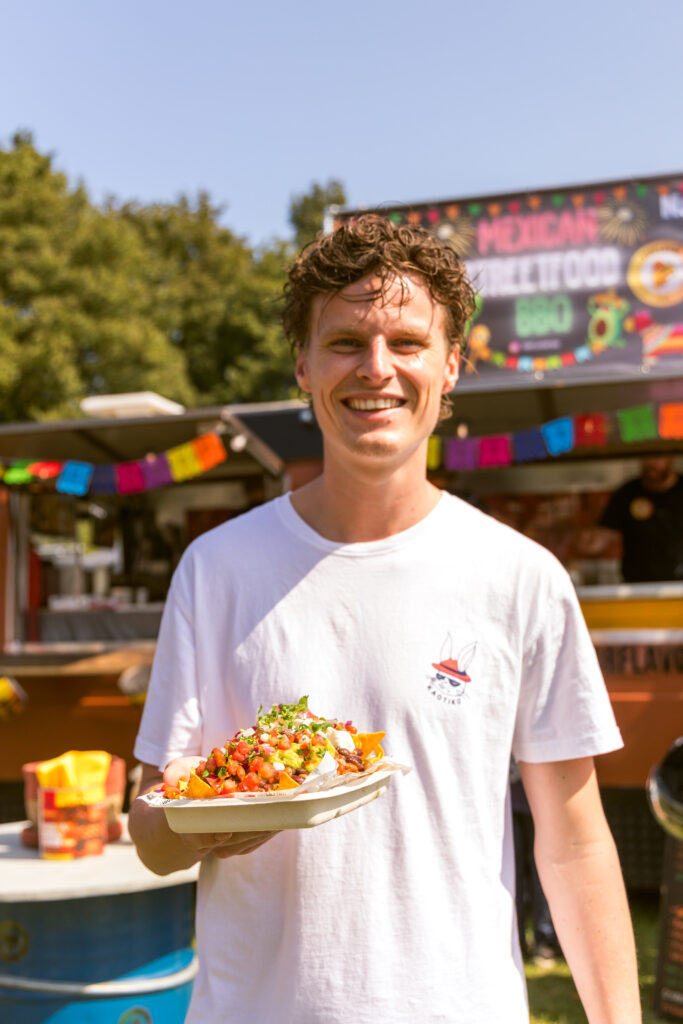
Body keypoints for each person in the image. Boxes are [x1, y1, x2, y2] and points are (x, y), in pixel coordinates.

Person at [129, 216, 641, 1024]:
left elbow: (575, 844)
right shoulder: (217, 567)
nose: (376, 368)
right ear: (302, 365)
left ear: (450, 365)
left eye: (406, 342)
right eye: (344, 343)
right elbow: (151, 832)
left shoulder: (520, 577)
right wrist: (208, 821)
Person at [598, 456, 683, 583]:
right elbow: (606, 534)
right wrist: (592, 542)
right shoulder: (626, 493)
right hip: (637, 585)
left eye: (657, 458)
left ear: (670, 458)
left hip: (679, 583)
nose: (651, 463)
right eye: (646, 457)